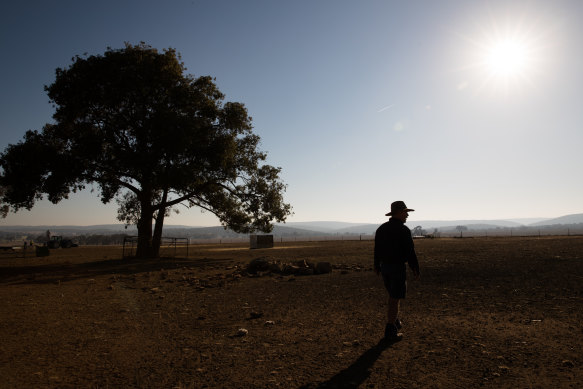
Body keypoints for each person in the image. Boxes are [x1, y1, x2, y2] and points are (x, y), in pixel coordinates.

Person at [374, 201, 420, 341]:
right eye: (405, 212)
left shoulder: (381, 229)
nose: (407, 215)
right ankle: (390, 330)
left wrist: (376, 265)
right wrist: (415, 267)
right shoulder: (404, 230)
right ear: (399, 213)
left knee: (393, 296)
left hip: (385, 268)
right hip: (397, 268)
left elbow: (377, 249)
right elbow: (410, 251)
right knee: (395, 299)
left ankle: (395, 321)